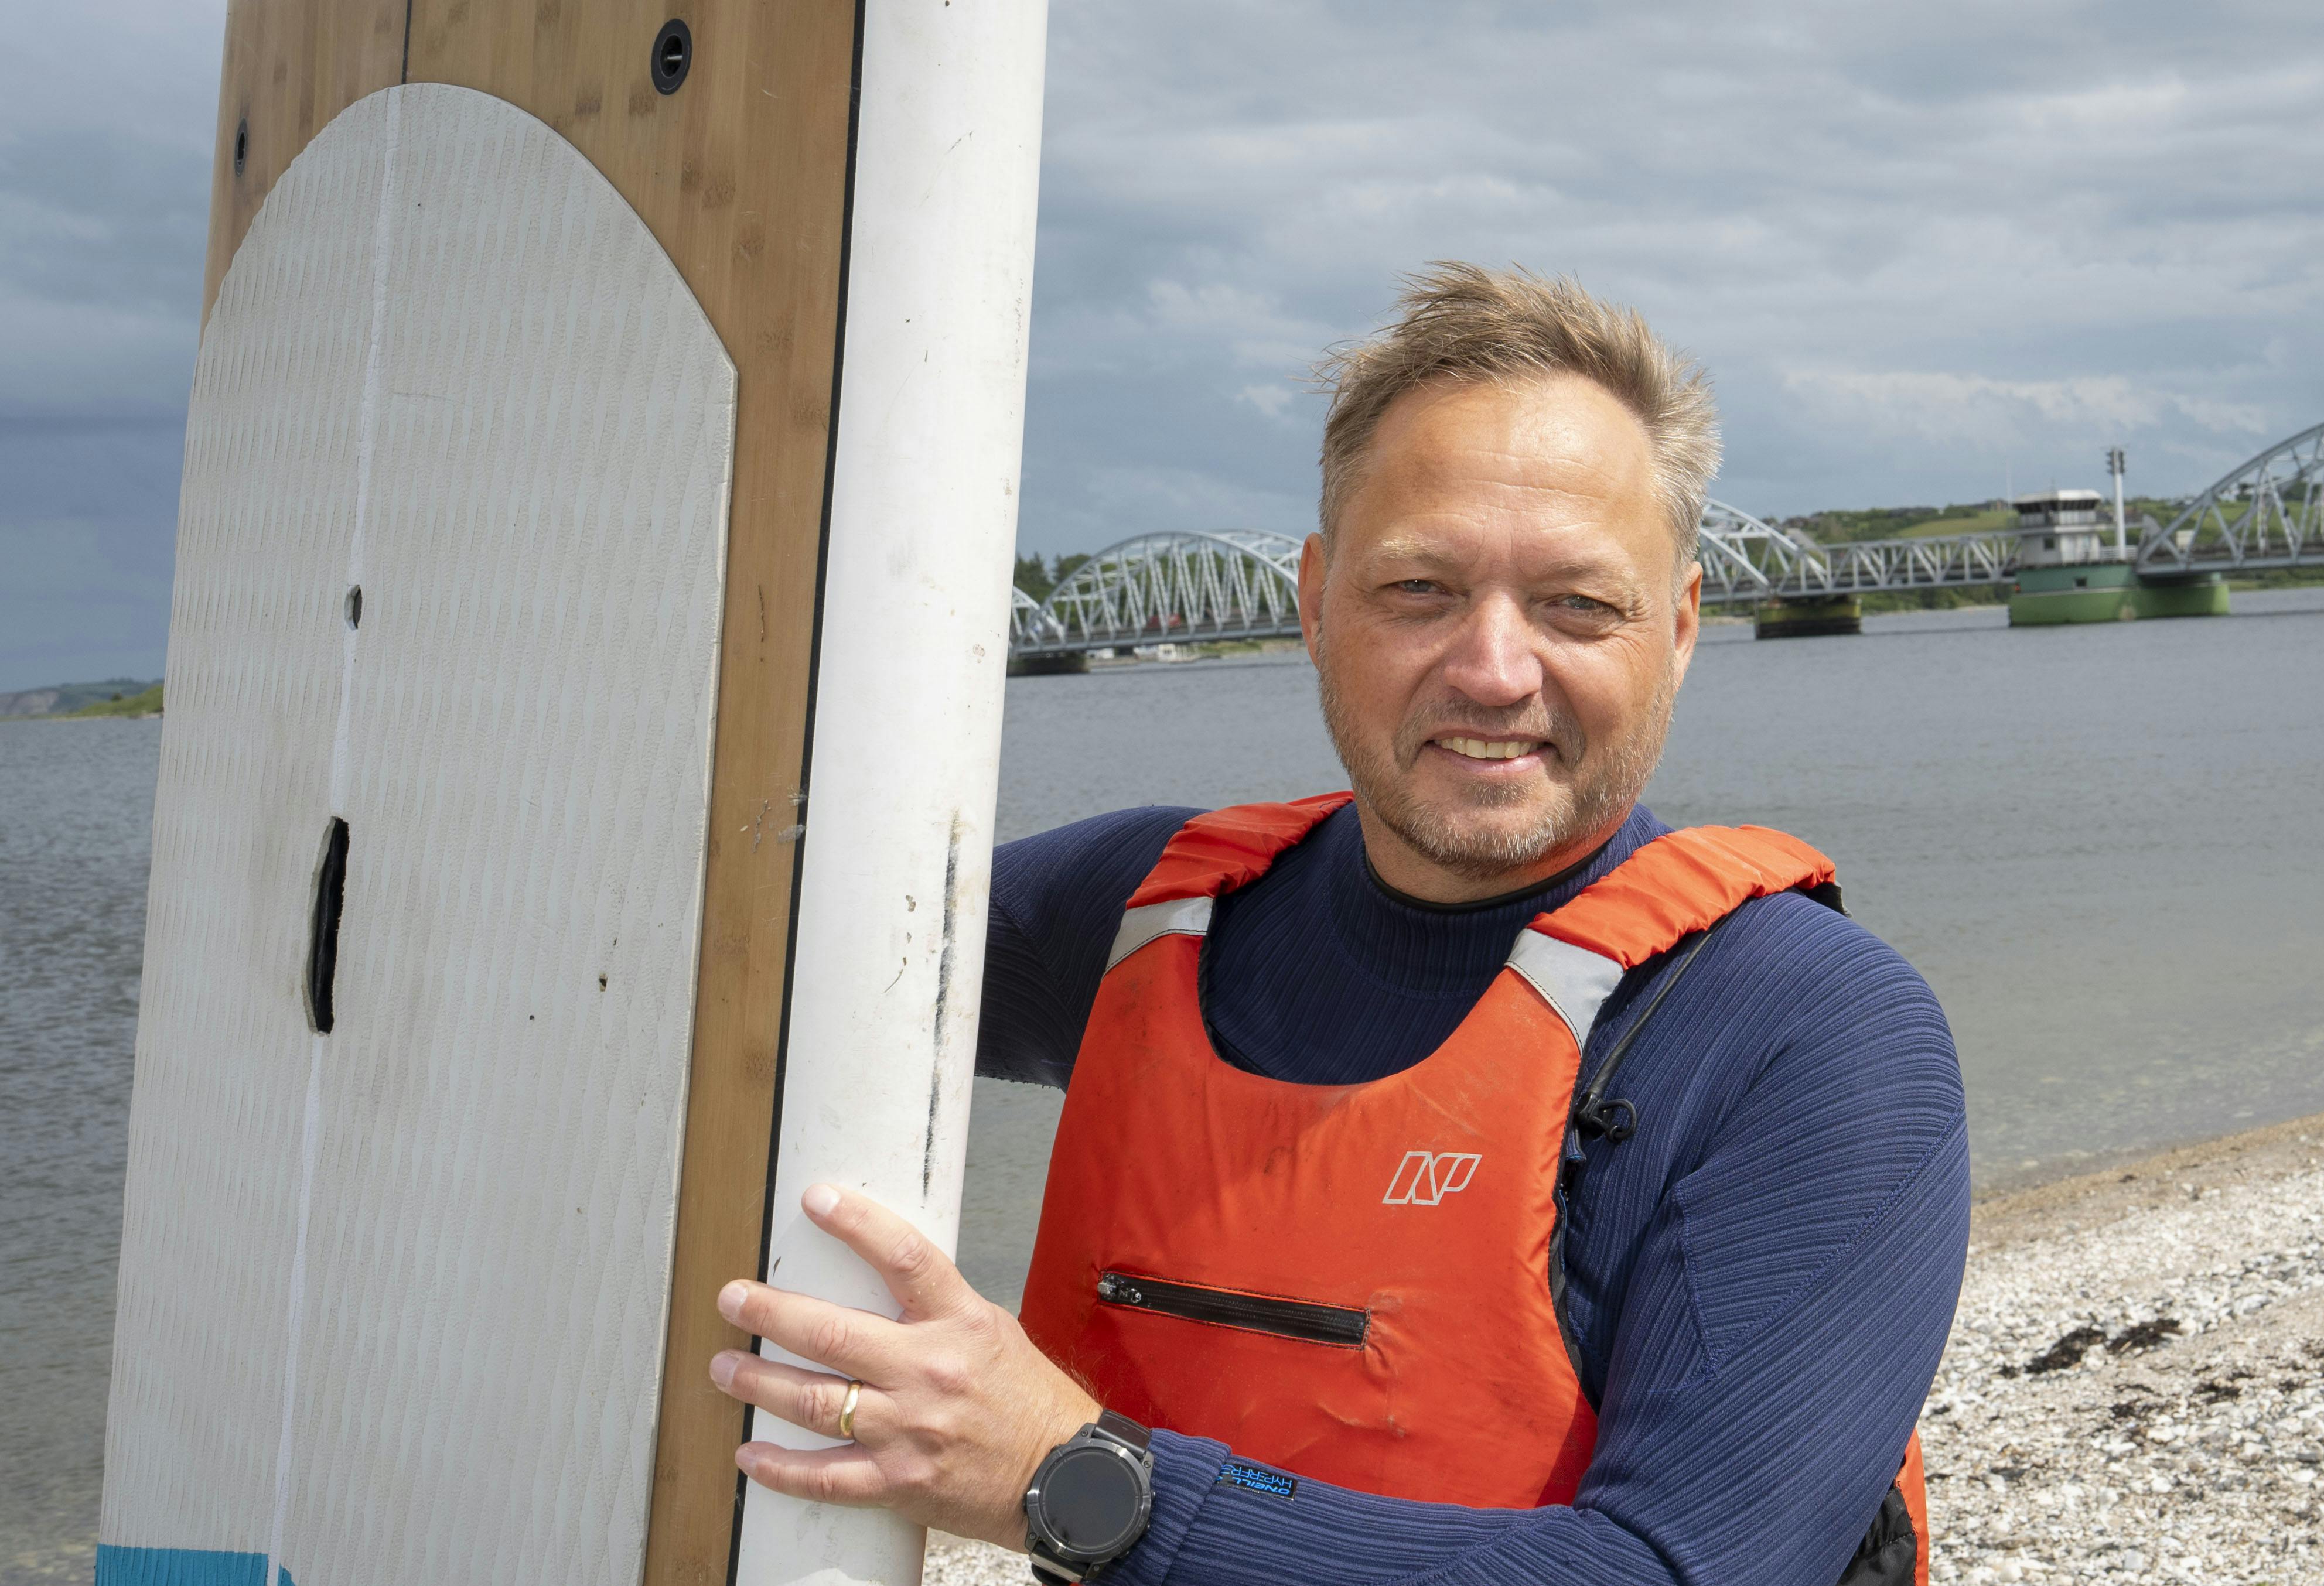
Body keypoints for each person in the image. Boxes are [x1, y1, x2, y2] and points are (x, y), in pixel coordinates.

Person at [708, 262, 1970, 1585]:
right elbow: (739, 946)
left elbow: (1684, 1570)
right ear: (1313, 603)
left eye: (1578, 605)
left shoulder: (1807, 1033)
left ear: (1681, 627)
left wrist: (1059, 1474)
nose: (1492, 671)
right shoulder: (1144, 916)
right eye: (1418, 589)